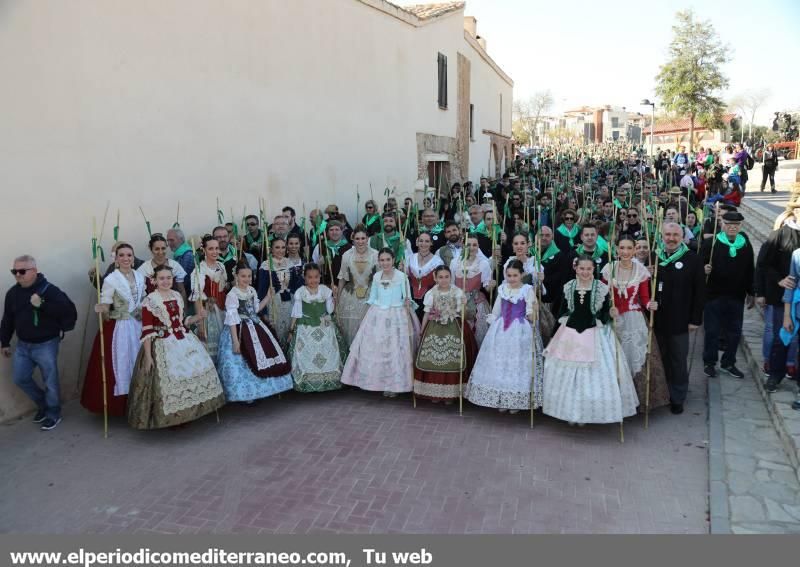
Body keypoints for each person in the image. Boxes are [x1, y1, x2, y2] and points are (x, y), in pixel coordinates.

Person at [543, 256, 639, 425]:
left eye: (589, 269)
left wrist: (611, 312)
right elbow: (563, 310)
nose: (585, 272)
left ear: (593, 269)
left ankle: (586, 413)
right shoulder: (569, 287)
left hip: (596, 333)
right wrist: (555, 333)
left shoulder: (602, 288)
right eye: (582, 269)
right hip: (570, 335)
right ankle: (569, 412)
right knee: (567, 373)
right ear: (576, 269)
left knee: (592, 374)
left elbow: (604, 311)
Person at [127, 265, 225, 429]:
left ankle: (193, 411)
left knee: (196, 370)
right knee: (171, 379)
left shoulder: (177, 295)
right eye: (162, 278)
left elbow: (182, 321)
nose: (165, 281)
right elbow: (147, 331)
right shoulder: (150, 301)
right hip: (162, 344)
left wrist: (197, 317)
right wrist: (149, 357)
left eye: (169, 278)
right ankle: (174, 417)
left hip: (183, 339)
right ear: (154, 281)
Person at [1, 255, 76, 431]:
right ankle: (44, 404)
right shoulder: (13, 293)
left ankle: (53, 413)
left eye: (22, 271)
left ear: (34, 271)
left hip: (46, 344)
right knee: (20, 378)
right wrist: (4, 341)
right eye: (14, 271)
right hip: (23, 344)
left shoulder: (50, 290)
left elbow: (68, 311)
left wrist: (41, 304)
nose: (18, 275)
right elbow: (8, 319)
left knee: (50, 381)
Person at [601, 235, 670, 410]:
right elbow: (601, 296)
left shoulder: (641, 271)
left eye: (628, 248)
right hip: (613, 319)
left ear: (634, 250)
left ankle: (636, 401)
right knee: (614, 359)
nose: (625, 252)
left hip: (634, 320)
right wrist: (609, 307)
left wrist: (650, 304)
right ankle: (614, 403)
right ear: (616, 249)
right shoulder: (609, 269)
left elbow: (644, 297)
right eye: (621, 248)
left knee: (634, 359)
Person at [465, 260, 543, 413]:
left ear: (522, 275)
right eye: (509, 275)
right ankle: (501, 397)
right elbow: (496, 310)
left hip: (520, 330)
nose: (512, 278)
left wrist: (533, 311)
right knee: (500, 364)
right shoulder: (502, 289)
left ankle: (515, 400)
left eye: (515, 275)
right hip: (501, 329)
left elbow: (531, 313)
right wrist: (492, 321)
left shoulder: (528, 290)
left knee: (517, 365)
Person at [341, 248, 420, 397]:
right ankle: (376, 381)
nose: (385, 263)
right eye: (382, 260)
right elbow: (372, 297)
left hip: (397, 314)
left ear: (393, 259)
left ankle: (395, 385)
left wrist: (407, 302)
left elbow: (407, 297)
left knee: (395, 350)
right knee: (377, 348)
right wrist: (366, 316)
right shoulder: (377, 276)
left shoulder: (402, 277)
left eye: (387, 260)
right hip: (377, 315)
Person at [81, 242, 146, 418]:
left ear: (133, 258)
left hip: (138, 325)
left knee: (141, 360)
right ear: (116, 259)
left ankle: (141, 402)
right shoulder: (111, 279)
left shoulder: (140, 277)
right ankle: (122, 405)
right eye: (122, 255)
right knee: (122, 362)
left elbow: (143, 299)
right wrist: (103, 309)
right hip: (120, 327)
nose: (126, 258)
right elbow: (106, 301)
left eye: (129, 255)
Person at [217, 264, 293, 403]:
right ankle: (248, 394)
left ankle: (267, 389)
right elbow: (232, 319)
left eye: (249, 276)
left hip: (256, 325)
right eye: (243, 276)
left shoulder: (251, 290)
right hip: (240, 329)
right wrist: (235, 341)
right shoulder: (232, 295)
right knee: (245, 359)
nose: (246, 279)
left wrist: (268, 297)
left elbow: (255, 309)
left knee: (265, 353)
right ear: (236, 276)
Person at [651, 222, 705, 414]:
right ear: (662, 236)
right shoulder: (654, 257)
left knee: (678, 361)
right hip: (656, 320)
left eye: (675, 235)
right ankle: (661, 394)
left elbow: (700, 292)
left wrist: (695, 319)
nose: (671, 238)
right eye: (667, 234)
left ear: (682, 237)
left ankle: (677, 396)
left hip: (681, 320)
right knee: (660, 359)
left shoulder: (693, 259)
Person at [700, 212, 754, 379]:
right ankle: (709, 362)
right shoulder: (711, 243)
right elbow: (697, 266)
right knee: (712, 331)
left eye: (736, 225)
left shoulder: (745, 244)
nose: (732, 227)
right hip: (714, 296)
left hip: (736, 296)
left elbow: (750, 269)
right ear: (722, 224)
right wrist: (704, 269)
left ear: (740, 226)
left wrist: (752, 292)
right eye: (729, 223)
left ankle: (728, 362)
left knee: (734, 332)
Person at [413, 265, 476, 404]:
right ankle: (434, 392)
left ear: (451, 277)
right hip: (434, 327)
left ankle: (451, 393)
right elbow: (427, 313)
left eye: (446, 277)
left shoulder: (458, 292)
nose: (444, 280)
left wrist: (464, 305)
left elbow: (464, 315)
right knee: (433, 357)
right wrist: (422, 331)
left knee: (452, 358)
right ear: (435, 278)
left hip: (454, 326)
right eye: (440, 277)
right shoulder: (431, 293)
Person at [757, 195, 800, 392]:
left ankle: (793, 367)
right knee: (780, 336)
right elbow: (764, 264)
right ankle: (775, 373)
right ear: (794, 211)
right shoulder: (779, 235)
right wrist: (779, 280)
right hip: (784, 296)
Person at [288, 263, 344, 393]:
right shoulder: (300, 292)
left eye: (316, 277)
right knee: (306, 352)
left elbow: (330, 310)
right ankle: (307, 381)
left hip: (324, 324)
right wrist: (291, 330)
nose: (313, 280)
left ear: (320, 277)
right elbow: (296, 313)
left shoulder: (325, 290)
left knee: (328, 350)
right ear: (305, 277)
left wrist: (334, 297)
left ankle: (329, 380)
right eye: (310, 277)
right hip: (305, 326)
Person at [257, 237, 304, 349]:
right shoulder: (266, 265)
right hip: (273, 303)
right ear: (271, 249)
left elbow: (295, 285)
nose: (280, 250)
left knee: (289, 329)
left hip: (289, 302)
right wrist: (263, 313)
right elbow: (262, 290)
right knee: (275, 331)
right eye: (277, 247)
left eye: (283, 247)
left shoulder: (289, 263)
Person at [336, 227, 379, 345]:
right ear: (353, 240)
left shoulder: (376, 254)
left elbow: (380, 278)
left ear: (367, 239)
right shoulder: (347, 255)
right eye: (357, 239)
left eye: (363, 238)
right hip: (350, 297)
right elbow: (342, 279)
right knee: (351, 330)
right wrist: (338, 300)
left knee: (368, 329)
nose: (360, 241)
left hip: (370, 297)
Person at [451, 236, 495, 346]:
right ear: (463, 245)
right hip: (458, 302)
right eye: (468, 245)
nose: (471, 247)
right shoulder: (455, 263)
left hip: (476, 302)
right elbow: (451, 284)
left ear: (478, 247)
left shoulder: (483, 264)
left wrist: (491, 285)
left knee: (478, 336)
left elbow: (487, 288)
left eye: (474, 245)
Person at [190, 235, 229, 362]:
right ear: (204, 250)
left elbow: (223, 287)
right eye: (211, 248)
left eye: (217, 248)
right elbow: (197, 297)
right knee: (212, 345)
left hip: (224, 309)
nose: (215, 251)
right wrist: (201, 324)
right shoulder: (199, 269)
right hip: (209, 313)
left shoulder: (221, 266)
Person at [406, 232, 443, 321]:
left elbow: (441, 283)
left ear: (431, 243)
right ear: (417, 242)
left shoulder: (437, 261)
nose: (423, 244)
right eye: (421, 241)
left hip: (429, 300)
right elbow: (406, 278)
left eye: (427, 241)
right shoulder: (410, 258)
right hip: (411, 298)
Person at [137, 233, 188, 298]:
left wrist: (184, 308)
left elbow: (181, 290)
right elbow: (140, 294)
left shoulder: (174, 266)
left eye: (163, 248)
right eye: (157, 249)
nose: (160, 252)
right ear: (151, 249)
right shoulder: (144, 269)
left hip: (173, 306)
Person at [312, 220, 352, 286]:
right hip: (325, 286)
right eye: (331, 230)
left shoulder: (350, 248)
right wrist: (318, 265)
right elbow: (313, 269)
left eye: (337, 229)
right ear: (327, 232)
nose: (334, 232)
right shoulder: (320, 247)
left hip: (345, 287)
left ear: (342, 231)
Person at [167, 228, 195, 294]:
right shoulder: (179, 254)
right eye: (168, 240)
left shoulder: (188, 255)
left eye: (171, 240)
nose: (169, 243)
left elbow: (183, 280)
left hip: (187, 295)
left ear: (181, 239)